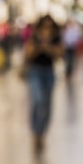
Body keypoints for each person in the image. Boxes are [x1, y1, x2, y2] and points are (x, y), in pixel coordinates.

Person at [22, 15, 63, 155]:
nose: (47, 29)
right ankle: (35, 133)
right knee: (37, 101)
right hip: (35, 71)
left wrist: (49, 48)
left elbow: (59, 55)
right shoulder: (34, 37)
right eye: (45, 26)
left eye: (50, 26)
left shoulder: (56, 38)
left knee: (47, 104)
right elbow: (27, 54)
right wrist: (40, 47)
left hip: (49, 72)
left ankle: (42, 133)